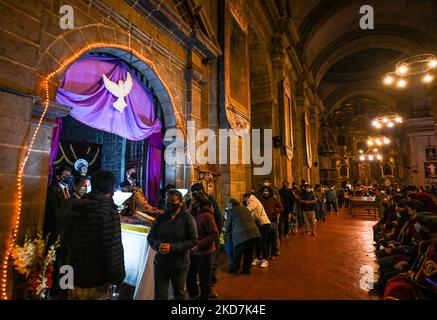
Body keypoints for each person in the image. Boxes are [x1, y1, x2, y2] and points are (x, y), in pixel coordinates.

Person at [63, 170, 125, 300]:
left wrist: (65, 278)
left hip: (72, 276)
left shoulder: (73, 208)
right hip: (95, 281)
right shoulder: (108, 213)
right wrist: (117, 278)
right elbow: (112, 250)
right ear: (111, 188)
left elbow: (65, 245)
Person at [147, 189, 198, 300]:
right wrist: (157, 245)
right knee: (160, 295)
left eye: (173, 201)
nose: (169, 204)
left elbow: (193, 240)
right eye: (167, 201)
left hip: (179, 264)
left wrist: (172, 247)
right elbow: (151, 237)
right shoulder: (161, 217)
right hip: (161, 263)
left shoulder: (187, 218)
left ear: (180, 202)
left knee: (178, 294)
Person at [188, 183, 222, 299]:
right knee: (190, 275)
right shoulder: (191, 210)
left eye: (192, 195)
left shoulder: (207, 214)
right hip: (192, 250)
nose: (190, 197)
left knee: (205, 275)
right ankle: (195, 295)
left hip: (204, 250)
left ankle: (206, 293)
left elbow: (215, 231)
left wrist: (201, 244)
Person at [224, 199, 260, 275]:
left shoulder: (231, 211)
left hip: (242, 235)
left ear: (231, 205)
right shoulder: (245, 208)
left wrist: (223, 228)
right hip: (254, 233)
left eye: (228, 205)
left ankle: (233, 270)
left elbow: (227, 227)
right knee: (249, 253)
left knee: (237, 253)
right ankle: (246, 270)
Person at [244, 192, 272, 268]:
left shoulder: (253, 201)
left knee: (263, 242)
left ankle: (265, 259)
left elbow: (247, 210)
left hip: (264, 224)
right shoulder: (252, 201)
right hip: (259, 224)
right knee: (257, 241)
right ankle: (257, 258)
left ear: (247, 197)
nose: (244, 200)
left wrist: (239, 211)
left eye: (244, 199)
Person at [259, 186, 283, 258]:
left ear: (270, 192)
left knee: (273, 238)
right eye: (264, 191)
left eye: (266, 191)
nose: (265, 193)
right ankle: (265, 254)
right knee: (265, 238)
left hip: (272, 221)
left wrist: (276, 211)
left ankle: (273, 253)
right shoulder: (260, 200)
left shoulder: (274, 199)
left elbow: (281, 207)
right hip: (263, 222)